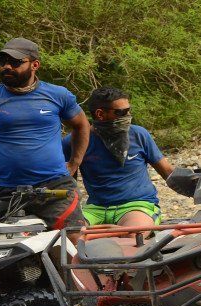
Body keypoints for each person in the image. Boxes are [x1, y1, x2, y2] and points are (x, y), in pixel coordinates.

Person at [0, 37, 89, 240]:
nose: (6, 67)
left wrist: (74, 162)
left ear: (35, 65)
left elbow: (81, 125)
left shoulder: (58, 95)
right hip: (7, 190)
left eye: (15, 62)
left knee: (74, 239)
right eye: (2, 62)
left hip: (54, 187)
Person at [62, 86, 174, 236]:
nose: (129, 115)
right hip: (96, 209)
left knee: (134, 234)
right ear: (100, 114)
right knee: (69, 235)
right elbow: (69, 185)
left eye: (128, 110)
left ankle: (104, 234)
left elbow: (168, 172)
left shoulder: (139, 134)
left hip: (137, 206)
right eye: (121, 112)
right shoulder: (74, 141)